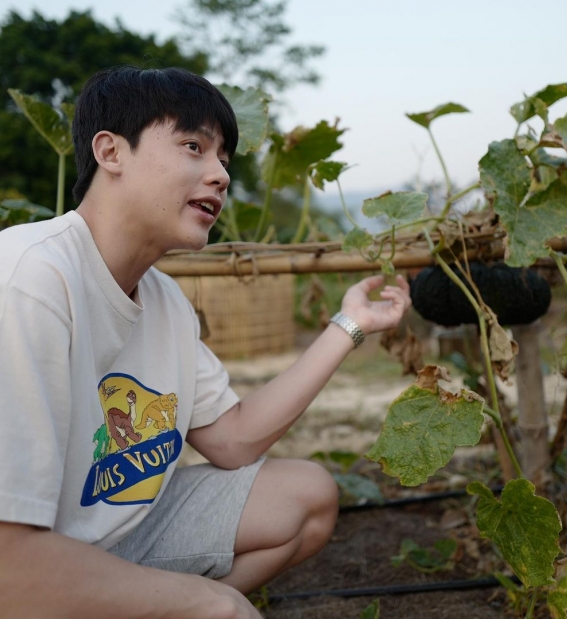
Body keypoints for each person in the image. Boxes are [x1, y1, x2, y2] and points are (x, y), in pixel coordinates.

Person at [0, 66, 411, 618]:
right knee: (217, 608)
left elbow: (234, 439)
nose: (219, 174)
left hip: (113, 532)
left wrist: (349, 324)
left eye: (223, 159)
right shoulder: (29, 276)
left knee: (307, 497)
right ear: (110, 152)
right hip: (23, 556)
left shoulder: (164, 298)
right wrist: (205, 602)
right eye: (194, 146)